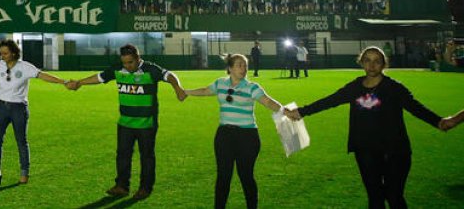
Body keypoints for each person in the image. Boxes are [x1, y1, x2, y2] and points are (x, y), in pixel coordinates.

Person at [284, 46, 452, 208]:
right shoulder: (355, 87)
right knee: (375, 197)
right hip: (366, 150)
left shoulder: (394, 88)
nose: (372, 65)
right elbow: (330, 101)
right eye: (367, 60)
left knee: (394, 197)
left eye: (377, 61)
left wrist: (439, 122)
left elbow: (417, 108)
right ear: (361, 62)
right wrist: (300, 112)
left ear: (384, 64)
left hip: (396, 150)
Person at [67, 43, 187, 200]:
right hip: (125, 123)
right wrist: (79, 83)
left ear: (138, 59)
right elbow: (100, 77)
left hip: (146, 123)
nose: (127, 66)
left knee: (147, 156)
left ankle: (145, 188)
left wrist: (178, 88)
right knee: (122, 155)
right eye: (124, 62)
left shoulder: (150, 69)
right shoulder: (118, 69)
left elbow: (170, 75)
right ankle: (122, 186)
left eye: (130, 62)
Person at [184, 53, 282, 209]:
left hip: (247, 137)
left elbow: (268, 102)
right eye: (239, 65)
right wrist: (186, 92)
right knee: (223, 176)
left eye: (245, 66)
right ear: (230, 68)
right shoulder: (220, 84)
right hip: (224, 136)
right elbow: (205, 91)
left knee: (246, 176)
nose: (243, 69)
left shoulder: (252, 87)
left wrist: (285, 111)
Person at [0, 39, 68, 186]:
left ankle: (24, 173)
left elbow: (43, 75)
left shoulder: (25, 67)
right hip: (1, 107)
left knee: (21, 142)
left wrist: (63, 82)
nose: (2, 56)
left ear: (14, 53)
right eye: (1, 53)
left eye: (5, 53)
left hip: (19, 109)